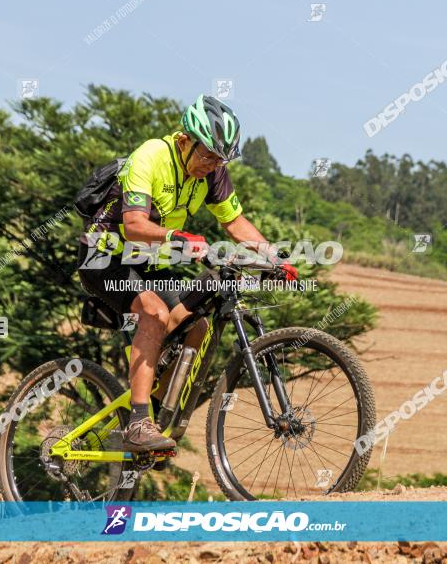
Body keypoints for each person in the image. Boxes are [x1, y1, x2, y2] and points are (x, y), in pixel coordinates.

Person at [77, 94, 297, 452]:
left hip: (148, 263)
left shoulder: (212, 172)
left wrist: (274, 257)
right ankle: (138, 422)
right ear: (184, 141)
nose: (212, 165)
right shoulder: (150, 157)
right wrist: (176, 236)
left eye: (220, 159)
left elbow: (234, 221)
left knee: (199, 324)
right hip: (104, 259)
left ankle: (163, 415)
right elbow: (133, 225)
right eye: (207, 154)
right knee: (154, 312)